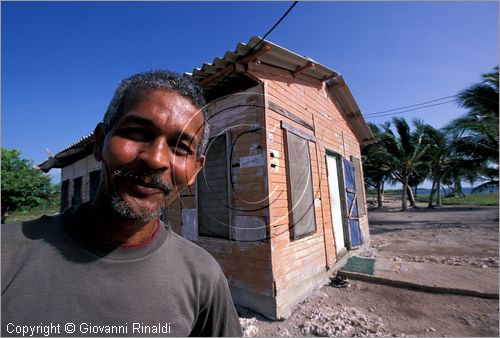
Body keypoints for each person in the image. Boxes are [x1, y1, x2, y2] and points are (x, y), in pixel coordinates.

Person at [1, 70, 243, 337]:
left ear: (196, 170)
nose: (156, 159)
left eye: (180, 148)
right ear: (100, 142)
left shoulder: (204, 278)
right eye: (137, 133)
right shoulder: (7, 253)